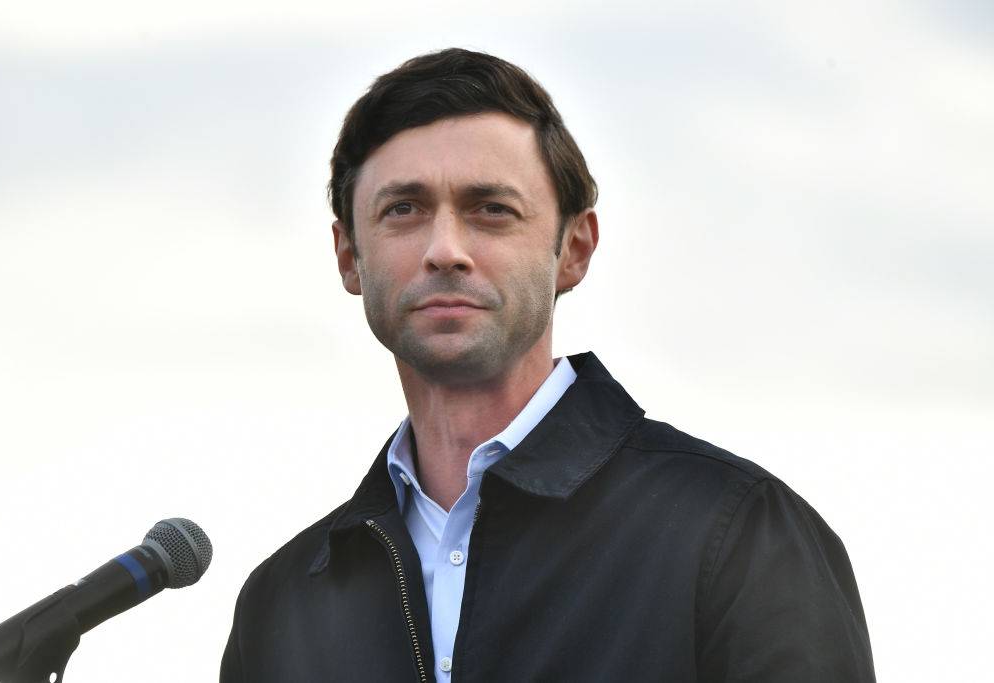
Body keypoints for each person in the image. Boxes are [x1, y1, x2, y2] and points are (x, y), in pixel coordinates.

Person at [220, 48, 875, 682]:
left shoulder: (736, 533)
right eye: (404, 209)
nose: (445, 249)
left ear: (575, 249)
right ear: (348, 256)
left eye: (491, 209)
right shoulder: (281, 606)